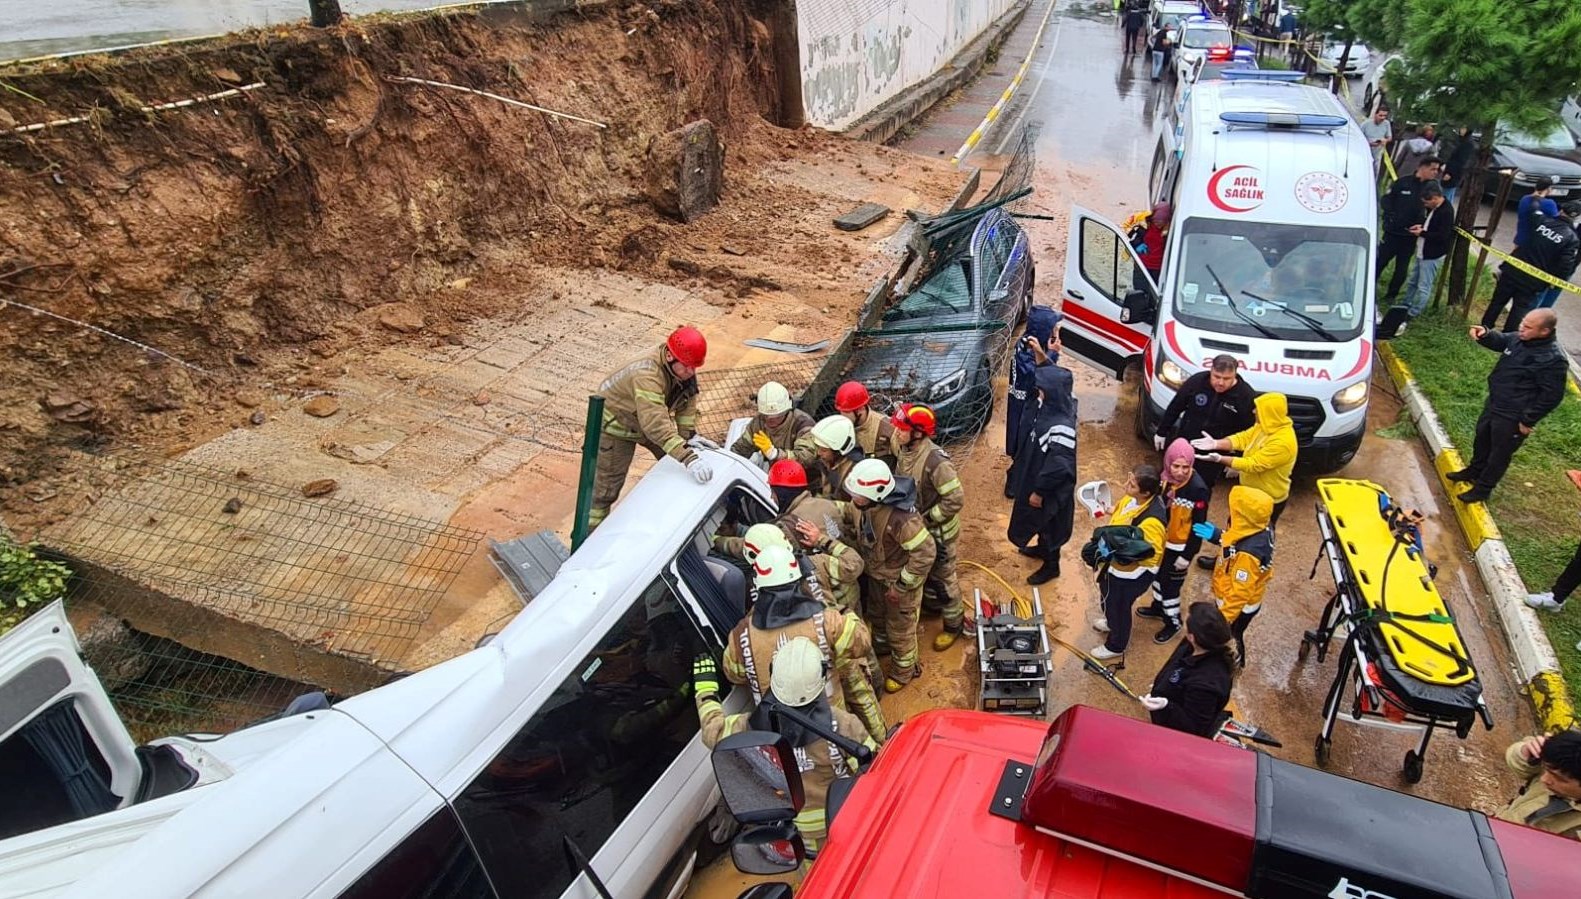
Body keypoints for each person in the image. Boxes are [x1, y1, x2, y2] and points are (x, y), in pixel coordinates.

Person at [693, 637, 876, 851]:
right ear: (821, 676)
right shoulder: (843, 725)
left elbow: (712, 732)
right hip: (848, 824)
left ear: (773, 674)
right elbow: (874, 772)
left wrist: (705, 689)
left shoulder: (750, 728)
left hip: (800, 838)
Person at [721, 544, 886, 742]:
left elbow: (734, 674)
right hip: (831, 727)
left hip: (781, 734)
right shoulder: (826, 620)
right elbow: (861, 643)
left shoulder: (740, 636)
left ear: (758, 584)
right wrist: (846, 613)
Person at [591, 325, 709, 530]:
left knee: (676, 471)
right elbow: (655, 425)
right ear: (670, 357)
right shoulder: (647, 374)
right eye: (687, 367)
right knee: (605, 492)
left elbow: (687, 400)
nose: (691, 372)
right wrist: (688, 457)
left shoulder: (682, 366)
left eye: (694, 367)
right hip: (617, 425)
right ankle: (587, 541)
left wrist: (688, 437)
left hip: (643, 419)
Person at [838, 458, 936, 694]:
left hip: (898, 584)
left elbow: (925, 553)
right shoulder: (863, 504)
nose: (853, 498)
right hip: (877, 577)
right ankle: (882, 647)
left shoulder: (902, 520)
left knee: (900, 629)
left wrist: (902, 586)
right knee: (877, 616)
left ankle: (904, 671)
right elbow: (847, 513)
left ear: (876, 495)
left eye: (857, 494)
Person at [1450, 310, 1568, 504]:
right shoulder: (1519, 338)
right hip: (1496, 402)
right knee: (1482, 439)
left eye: (1529, 327)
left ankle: (1483, 489)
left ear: (1544, 331)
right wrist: (1486, 334)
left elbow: (1552, 396)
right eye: (1523, 322)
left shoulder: (1553, 360)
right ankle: (1474, 471)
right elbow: (1502, 340)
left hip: (1514, 414)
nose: (1522, 327)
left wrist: (1528, 419)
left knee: (1499, 453)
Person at [888, 404, 972, 650]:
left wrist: (927, 519)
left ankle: (953, 624)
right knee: (927, 574)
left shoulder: (936, 462)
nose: (896, 432)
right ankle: (932, 606)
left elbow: (955, 498)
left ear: (918, 433)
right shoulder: (904, 446)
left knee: (944, 579)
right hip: (918, 526)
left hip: (938, 532)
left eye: (902, 429)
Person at [1008, 364, 1078, 586]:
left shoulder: (1062, 427)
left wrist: (1039, 491)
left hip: (1051, 492)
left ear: (1053, 392)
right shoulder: (1055, 405)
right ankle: (1041, 548)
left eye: (1042, 388)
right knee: (1040, 523)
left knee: (1051, 525)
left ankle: (1051, 566)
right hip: (1037, 477)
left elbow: (1060, 467)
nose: (1038, 391)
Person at [1090, 464, 1167, 663]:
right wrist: (1109, 510)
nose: (1126, 486)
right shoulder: (1133, 498)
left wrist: (1125, 558)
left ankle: (1116, 644)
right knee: (1106, 595)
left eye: (1132, 485)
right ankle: (1110, 621)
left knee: (1119, 606)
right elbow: (1122, 511)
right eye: (1129, 480)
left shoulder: (1152, 521)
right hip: (1113, 562)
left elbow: (1153, 553)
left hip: (1131, 573)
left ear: (1147, 492)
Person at [1192, 485, 1275, 667]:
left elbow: (1240, 593)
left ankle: (1234, 661)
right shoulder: (1258, 524)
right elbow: (1236, 539)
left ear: (1244, 515)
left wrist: (1222, 619)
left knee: (1232, 635)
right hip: (1229, 593)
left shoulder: (1248, 555)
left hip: (1238, 607)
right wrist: (1218, 536)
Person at [1137, 439, 1209, 643]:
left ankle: (1173, 622)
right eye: (1176, 466)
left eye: (1186, 467)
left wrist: (1188, 555)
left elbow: (1199, 527)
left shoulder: (1198, 489)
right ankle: (1158, 608)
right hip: (1163, 544)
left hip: (1180, 548)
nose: (1180, 471)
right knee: (1158, 577)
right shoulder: (1164, 479)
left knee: (1171, 587)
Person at [1193, 392, 1297, 529]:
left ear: (1269, 413)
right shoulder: (1265, 426)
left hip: (1265, 499)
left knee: (1251, 538)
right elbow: (1243, 438)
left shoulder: (1283, 442)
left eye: (1258, 409)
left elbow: (1254, 464)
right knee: (1234, 528)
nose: (1254, 411)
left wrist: (1220, 458)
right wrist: (1216, 444)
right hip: (1248, 492)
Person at [1153, 354, 1256, 489]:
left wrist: (1238, 460)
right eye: (1216, 377)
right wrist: (1162, 432)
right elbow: (1176, 406)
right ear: (1211, 371)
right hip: (1186, 444)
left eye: (1226, 379)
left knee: (1201, 488)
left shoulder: (1245, 395)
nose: (1220, 382)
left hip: (1214, 452)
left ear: (1235, 375)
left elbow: (1248, 430)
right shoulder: (1197, 382)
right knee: (1170, 483)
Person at [1137, 602, 1237, 738]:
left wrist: (1166, 706)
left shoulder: (1206, 685)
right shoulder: (1196, 644)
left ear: (1192, 637)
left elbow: (1193, 727)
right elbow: (1175, 663)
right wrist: (1164, 685)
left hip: (1174, 731)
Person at [1480, 201, 1580, 332]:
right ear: (1576, 217)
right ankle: (1507, 339)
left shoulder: (1542, 220)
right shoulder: (1571, 239)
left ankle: (1484, 329)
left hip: (1512, 270)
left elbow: (1532, 208)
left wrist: (1538, 197)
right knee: (1519, 310)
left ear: (1561, 210)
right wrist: (1554, 282)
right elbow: (1565, 265)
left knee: (1497, 301)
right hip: (1533, 281)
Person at [1378, 181, 1453, 339]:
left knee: (1423, 285)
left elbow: (1442, 235)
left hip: (1431, 255)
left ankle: (1413, 313)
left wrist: (1423, 233)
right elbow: (1431, 226)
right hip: (1422, 251)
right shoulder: (1434, 209)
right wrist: (1421, 228)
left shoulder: (1446, 212)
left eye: (1426, 202)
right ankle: (1405, 304)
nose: (1425, 205)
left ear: (1434, 198)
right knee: (1413, 281)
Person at [1005, 305, 1061, 491]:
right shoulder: (1027, 349)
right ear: (1043, 330)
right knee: (1023, 446)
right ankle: (1013, 485)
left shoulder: (1035, 345)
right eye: (1053, 327)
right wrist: (1052, 354)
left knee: (1030, 446)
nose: (1056, 330)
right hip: (1023, 408)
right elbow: (1037, 377)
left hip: (1030, 406)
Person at [1376, 156, 1442, 311]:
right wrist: (1390, 216)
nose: (1435, 173)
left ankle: (1391, 295)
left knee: (1402, 268)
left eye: (1437, 170)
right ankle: (1369, 287)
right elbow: (1387, 199)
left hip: (1411, 236)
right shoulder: (1403, 182)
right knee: (1380, 262)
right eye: (1433, 169)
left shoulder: (1432, 188)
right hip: (1393, 233)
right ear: (1422, 167)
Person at [1493, 730, 1581, 840]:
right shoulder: (1561, 760)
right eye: (1546, 769)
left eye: (1559, 779)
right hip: (1495, 827)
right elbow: (1517, 763)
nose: (1544, 779)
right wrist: (1526, 752)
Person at [729, 381, 816, 467]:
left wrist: (775, 454)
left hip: (807, 477)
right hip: (777, 475)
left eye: (776, 416)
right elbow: (740, 449)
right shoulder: (758, 424)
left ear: (786, 411)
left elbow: (806, 458)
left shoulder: (803, 424)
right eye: (766, 415)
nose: (769, 420)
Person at [834, 381, 897, 466]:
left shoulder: (887, 429)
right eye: (841, 411)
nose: (842, 416)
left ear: (860, 409)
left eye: (846, 412)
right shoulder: (841, 428)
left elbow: (904, 464)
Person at [808, 414, 863, 501]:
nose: (819, 453)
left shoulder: (854, 470)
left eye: (824, 450)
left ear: (838, 452)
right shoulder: (826, 462)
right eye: (818, 447)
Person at [1133, 202, 1172, 290]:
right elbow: (1133, 237)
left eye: (1161, 222)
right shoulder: (1145, 225)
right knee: (1140, 290)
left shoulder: (1169, 232)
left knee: (1154, 291)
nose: (1158, 224)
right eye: (1156, 221)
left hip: (1158, 268)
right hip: (1142, 265)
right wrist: (1138, 244)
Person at [1513, 178, 1560, 252]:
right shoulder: (1549, 204)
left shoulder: (1524, 198)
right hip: (1535, 243)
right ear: (1548, 189)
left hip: (1520, 238)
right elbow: (1557, 221)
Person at [1440, 125, 1477, 206]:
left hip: (1453, 172)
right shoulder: (1463, 141)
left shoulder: (1467, 143)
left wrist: (1450, 173)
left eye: (1464, 128)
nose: (1461, 130)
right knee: (1449, 194)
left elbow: (1460, 161)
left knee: (1446, 195)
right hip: (1453, 171)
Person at [1360, 107, 1393, 175]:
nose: (1382, 118)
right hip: (1365, 152)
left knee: (1374, 173)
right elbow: (1358, 137)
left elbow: (1390, 137)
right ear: (1375, 114)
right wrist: (1369, 144)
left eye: (1385, 116)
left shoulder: (1386, 124)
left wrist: (1385, 140)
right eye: (1380, 115)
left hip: (1377, 154)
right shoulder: (1366, 124)